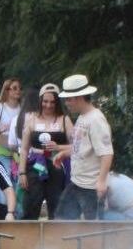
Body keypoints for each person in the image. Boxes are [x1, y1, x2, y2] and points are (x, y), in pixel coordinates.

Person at [54, 74, 113, 220]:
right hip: (76, 182)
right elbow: (81, 147)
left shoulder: (96, 120)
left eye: (69, 99)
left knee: (92, 229)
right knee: (61, 220)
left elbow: (106, 153)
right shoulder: (82, 117)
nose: (66, 103)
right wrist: (65, 153)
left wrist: (101, 182)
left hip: (91, 188)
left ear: (79, 97)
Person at [19, 84, 71, 220]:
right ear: (40, 101)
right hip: (36, 165)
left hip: (57, 165)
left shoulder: (64, 120)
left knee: (57, 205)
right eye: (45, 101)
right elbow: (24, 149)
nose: (48, 105)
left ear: (57, 102)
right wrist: (22, 172)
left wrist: (58, 147)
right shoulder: (31, 119)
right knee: (32, 202)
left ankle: (56, 231)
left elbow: (76, 146)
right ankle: (29, 231)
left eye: (52, 102)